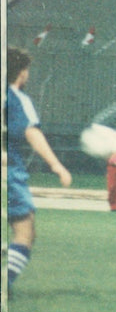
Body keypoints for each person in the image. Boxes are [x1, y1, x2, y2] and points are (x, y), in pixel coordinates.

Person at [5, 47, 72, 295]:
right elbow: (32, 132)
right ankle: (4, 283)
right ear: (21, 73)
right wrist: (56, 165)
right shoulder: (18, 99)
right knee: (25, 230)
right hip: (8, 172)